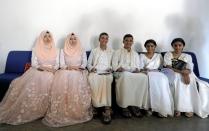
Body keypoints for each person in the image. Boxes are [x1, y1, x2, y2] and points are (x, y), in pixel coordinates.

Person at [0, 30, 59, 125]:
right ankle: (36, 109)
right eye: (45, 36)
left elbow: (57, 64)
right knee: (40, 78)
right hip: (38, 70)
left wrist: (52, 69)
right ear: (41, 38)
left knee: (51, 79)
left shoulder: (56, 50)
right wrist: (44, 68)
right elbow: (34, 64)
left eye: (49, 36)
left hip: (52, 71)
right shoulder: (35, 49)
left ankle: (46, 110)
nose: (47, 38)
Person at [43, 33, 92, 127]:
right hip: (66, 70)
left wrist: (79, 67)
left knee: (75, 78)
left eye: (74, 39)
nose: (72, 41)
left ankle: (77, 109)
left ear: (77, 40)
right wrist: (69, 67)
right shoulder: (63, 50)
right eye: (70, 39)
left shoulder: (81, 50)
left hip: (78, 71)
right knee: (66, 78)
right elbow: (62, 64)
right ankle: (65, 109)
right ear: (67, 41)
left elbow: (84, 63)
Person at [164, 38, 209, 118]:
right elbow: (168, 66)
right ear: (172, 46)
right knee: (177, 78)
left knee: (191, 80)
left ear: (183, 46)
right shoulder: (168, 54)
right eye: (175, 45)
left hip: (187, 73)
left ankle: (188, 107)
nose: (177, 47)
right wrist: (182, 72)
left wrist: (186, 73)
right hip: (172, 72)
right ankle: (177, 108)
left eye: (180, 45)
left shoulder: (187, 56)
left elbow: (189, 68)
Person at [112, 34, 149, 118]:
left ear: (132, 42)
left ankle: (135, 105)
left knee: (144, 77)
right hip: (121, 73)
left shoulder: (135, 54)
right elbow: (114, 66)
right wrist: (119, 68)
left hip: (133, 73)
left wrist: (137, 69)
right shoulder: (117, 52)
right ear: (123, 41)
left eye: (130, 40)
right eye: (126, 40)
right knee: (126, 76)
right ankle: (124, 106)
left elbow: (138, 66)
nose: (128, 42)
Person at [139, 39, 174, 117]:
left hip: (158, 73)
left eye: (152, 46)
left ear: (155, 47)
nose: (150, 48)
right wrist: (146, 70)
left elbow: (162, 67)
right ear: (145, 47)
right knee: (150, 81)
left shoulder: (159, 56)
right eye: (148, 46)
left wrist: (157, 71)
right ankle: (149, 107)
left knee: (162, 80)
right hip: (147, 73)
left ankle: (160, 108)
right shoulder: (141, 56)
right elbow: (140, 68)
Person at [87, 32, 113, 124]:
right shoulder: (94, 51)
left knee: (106, 79)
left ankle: (107, 108)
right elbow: (89, 63)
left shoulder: (111, 51)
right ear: (99, 39)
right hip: (96, 72)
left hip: (107, 72)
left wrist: (111, 69)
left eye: (106, 38)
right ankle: (95, 106)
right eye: (102, 38)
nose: (104, 40)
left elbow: (113, 64)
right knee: (92, 79)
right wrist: (91, 68)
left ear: (108, 40)